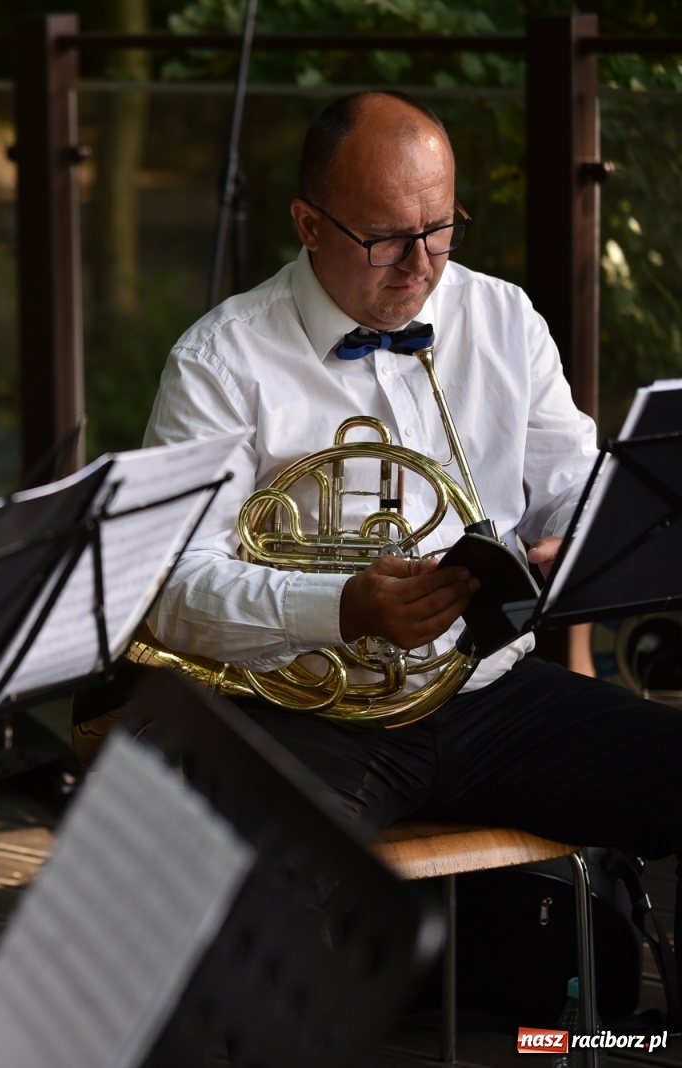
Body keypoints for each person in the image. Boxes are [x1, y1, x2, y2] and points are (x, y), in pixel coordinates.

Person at [144, 90, 682, 861]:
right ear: (308, 225)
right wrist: (343, 606)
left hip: (490, 694)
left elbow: (570, 487)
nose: (421, 265)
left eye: (439, 230)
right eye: (388, 239)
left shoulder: (505, 319)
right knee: (251, 877)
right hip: (312, 716)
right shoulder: (219, 362)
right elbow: (173, 590)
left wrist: (580, 542)